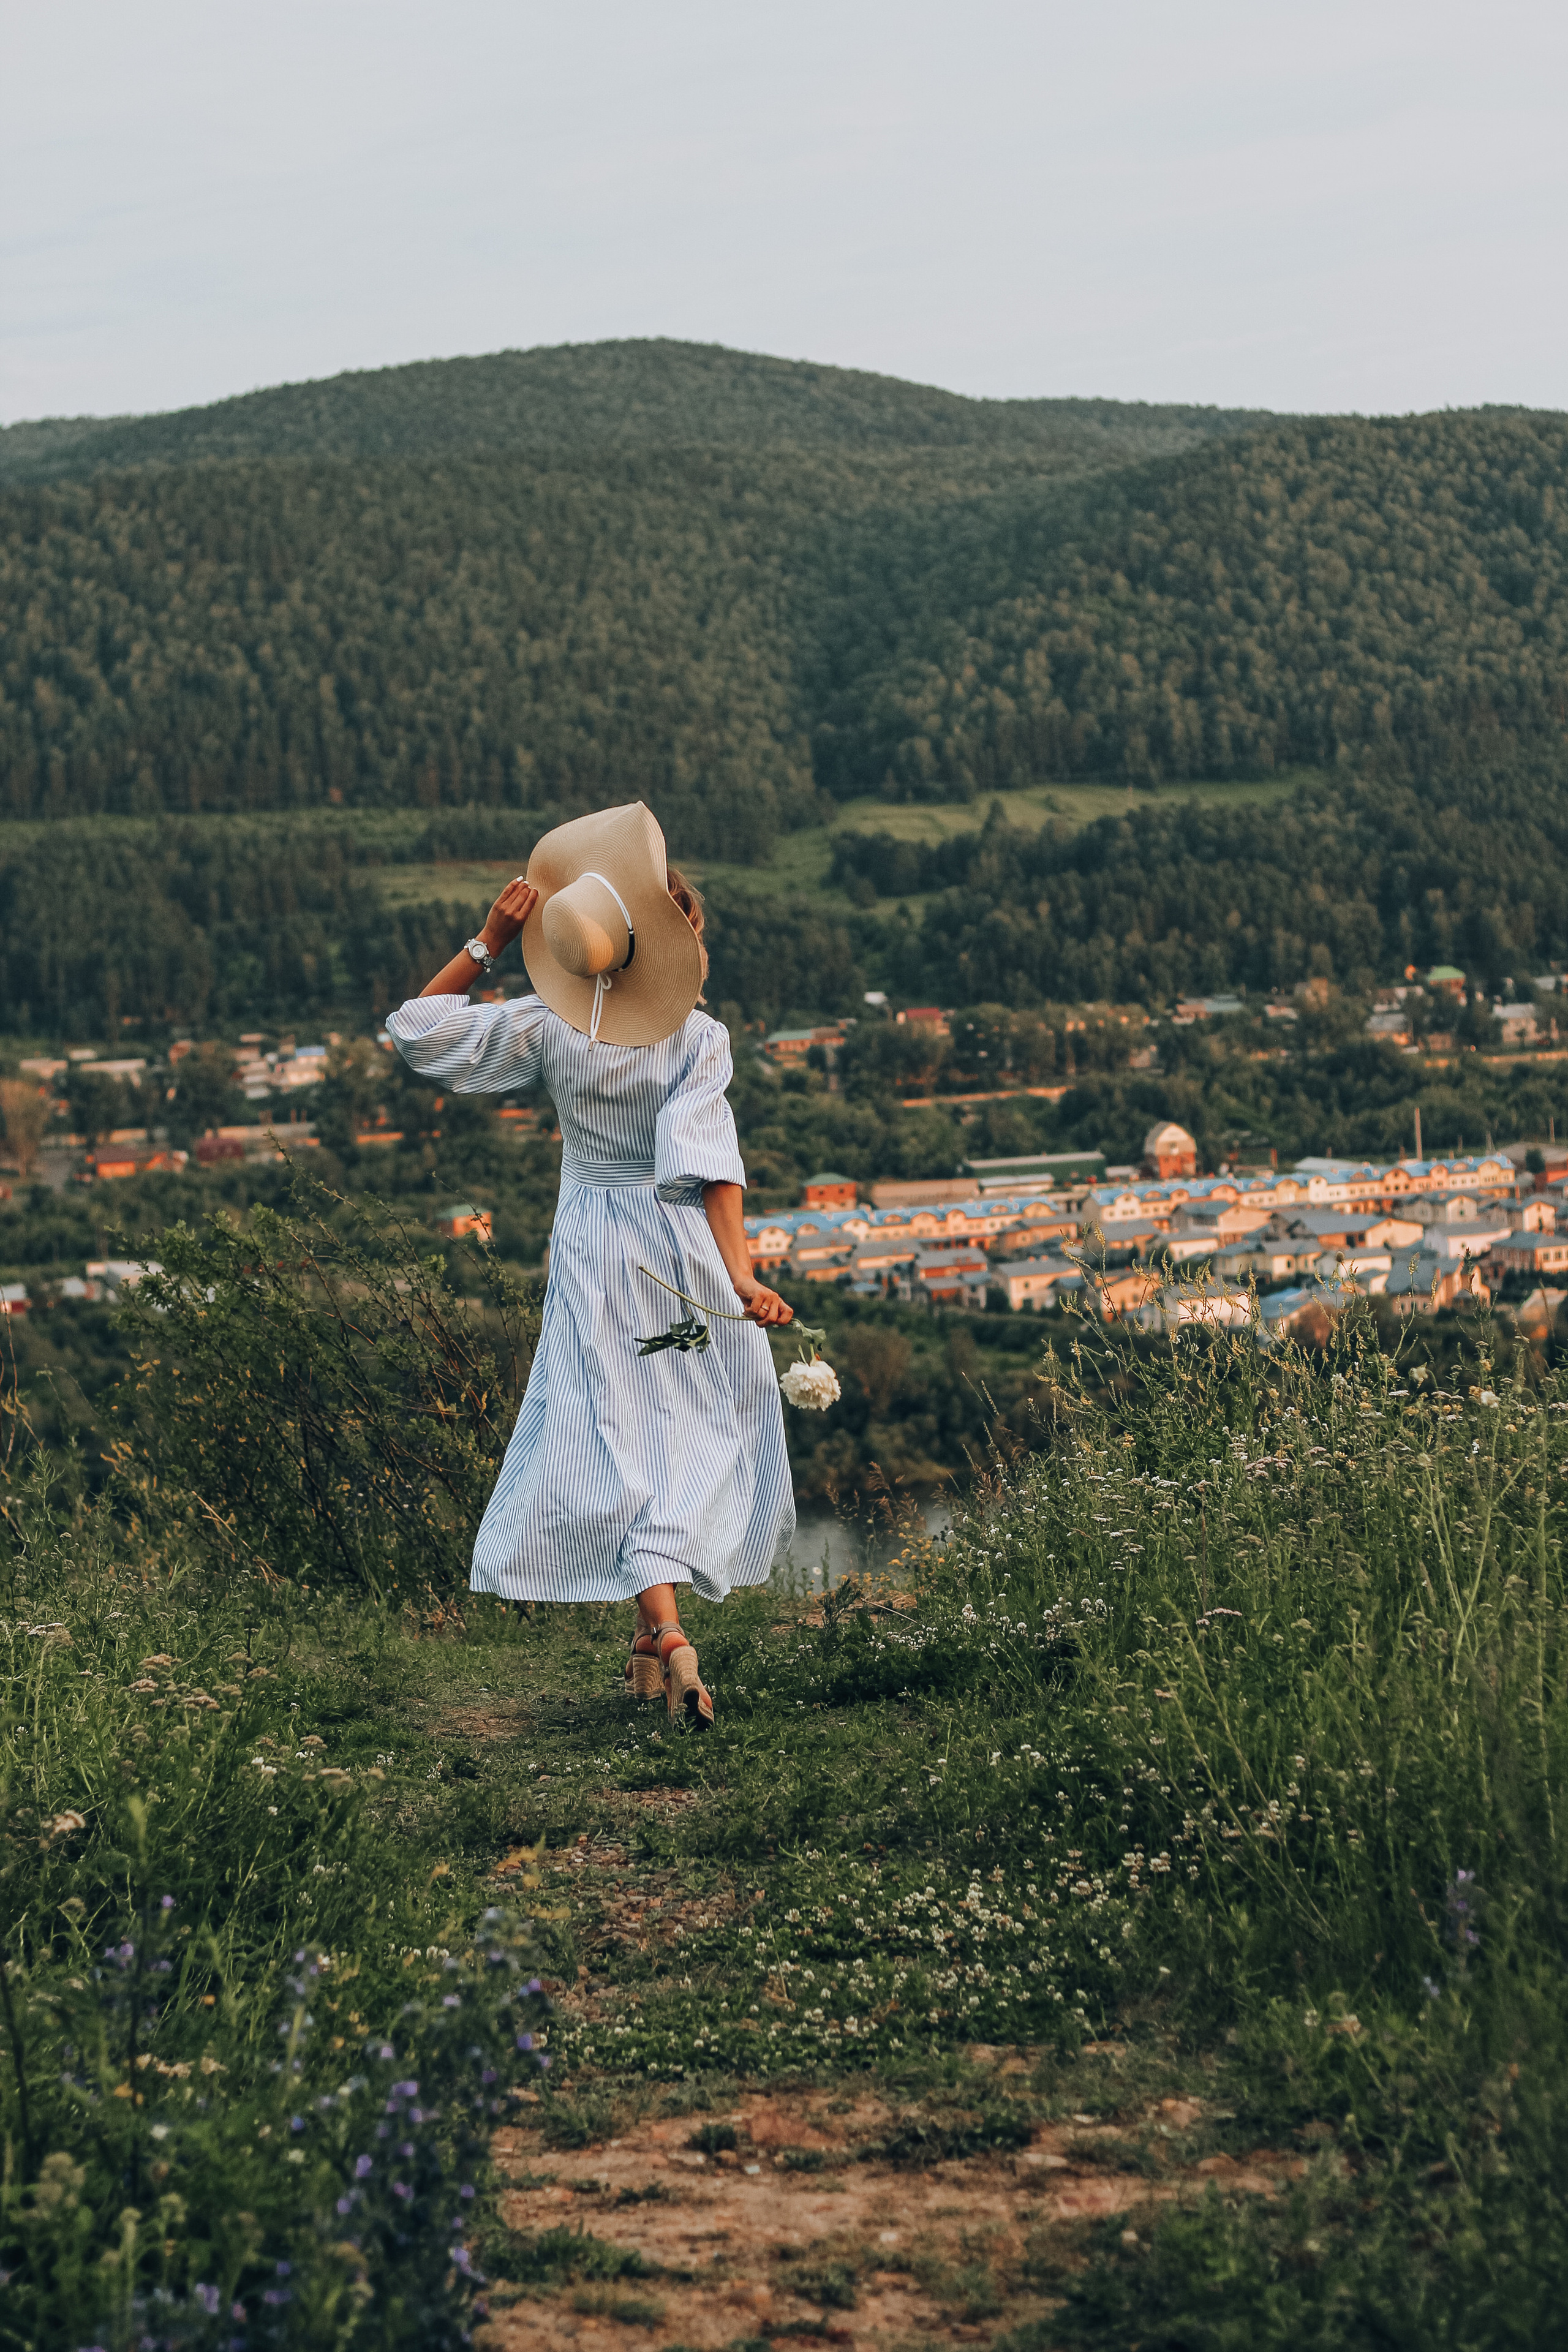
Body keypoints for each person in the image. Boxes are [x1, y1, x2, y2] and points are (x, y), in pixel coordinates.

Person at [385, 802, 795, 1730]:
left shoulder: (551, 1030)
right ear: (676, 939)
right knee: (677, 1431)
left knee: (609, 1430)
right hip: (678, 1242)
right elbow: (712, 1167)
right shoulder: (700, 1039)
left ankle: (662, 1642)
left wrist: (489, 939)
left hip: (592, 1244)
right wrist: (740, 1275)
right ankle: (664, 1636)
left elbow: (417, 1027)